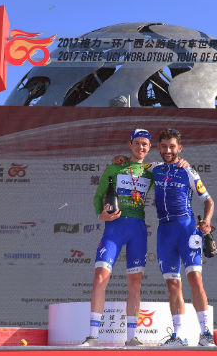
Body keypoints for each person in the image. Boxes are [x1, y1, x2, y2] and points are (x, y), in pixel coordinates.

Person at [80, 129, 154, 347]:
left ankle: (132, 337)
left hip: (138, 230)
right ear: (130, 144)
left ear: (149, 148)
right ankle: (93, 335)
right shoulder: (115, 166)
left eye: (145, 144)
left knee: (135, 283)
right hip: (114, 228)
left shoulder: (152, 173)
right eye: (138, 143)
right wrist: (100, 214)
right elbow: (99, 195)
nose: (141, 147)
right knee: (101, 276)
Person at [147, 128, 215, 347]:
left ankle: (205, 334)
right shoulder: (153, 169)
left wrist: (205, 221)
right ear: (159, 147)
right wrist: (119, 160)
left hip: (186, 229)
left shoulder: (188, 170)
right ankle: (178, 336)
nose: (168, 150)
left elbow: (208, 201)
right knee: (172, 285)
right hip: (165, 231)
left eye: (172, 146)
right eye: (164, 146)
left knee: (195, 279)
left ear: (180, 148)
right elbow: (132, 167)